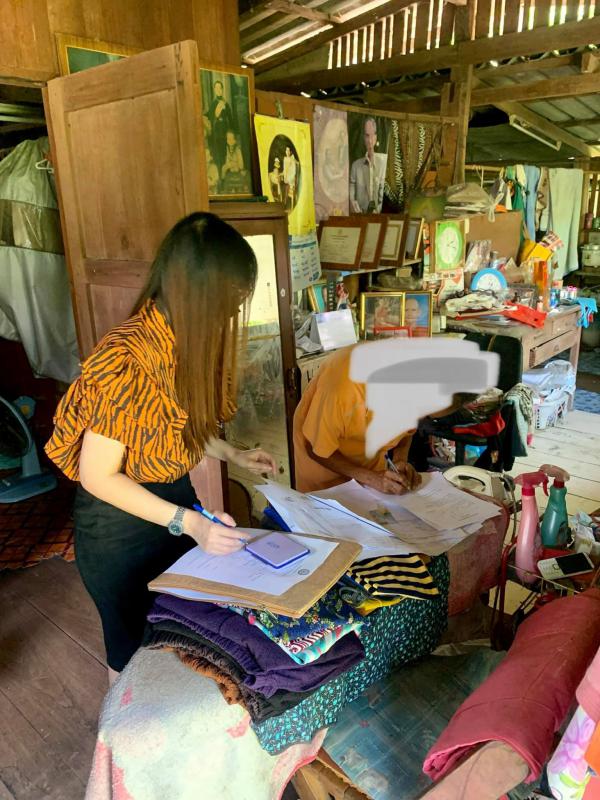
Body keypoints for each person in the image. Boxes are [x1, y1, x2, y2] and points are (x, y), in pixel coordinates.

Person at [45, 212, 277, 682]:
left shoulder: (182, 341)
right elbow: (97, 475)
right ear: (200, 294)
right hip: (119, 529)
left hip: (171, 502)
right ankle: (123, 728)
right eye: (230, 300)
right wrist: (191, 523)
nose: (232, 313)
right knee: (133, 655)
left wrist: (232, 454)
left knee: (179, 636)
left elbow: (172, 427)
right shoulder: (126, 357)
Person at [293, 344, 420, 495]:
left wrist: (399, 461)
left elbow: (406, 433)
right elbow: (315, 448)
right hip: (323, 463)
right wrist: (371, 478)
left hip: (369, 463)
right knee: (325, 505)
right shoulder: (341, 388)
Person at [349, 117, 387, 214]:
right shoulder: (356, 166)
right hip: (360, 216)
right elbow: (351, 195)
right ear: (363, 137)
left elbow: (383, 191)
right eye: (367, 136)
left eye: (372, 135)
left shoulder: (383, 162)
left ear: (376, 137)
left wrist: (377, 211)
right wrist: (353, 205)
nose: (370, 140)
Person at [207, 80, 234, 175]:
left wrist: (231, 131)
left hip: (225, 131)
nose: (218, 90)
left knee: (226, 152)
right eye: (217, 88)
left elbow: (230, 118)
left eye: (220, 88)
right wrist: (217, 115)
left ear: (222, 90)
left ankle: (226, 172)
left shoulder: (226, 103)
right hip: (217, 132)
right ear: (214, 90)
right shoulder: (213, 104)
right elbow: (210, 117)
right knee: (218, 154)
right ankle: (220, 174)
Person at [283, 145, 298, 210]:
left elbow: (296, 164)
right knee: (285, 187)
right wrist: (285, 177)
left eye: (289, 150)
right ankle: (285, 204)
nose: (287, 152)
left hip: (291, 175)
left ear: (290, 152)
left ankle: (288, 204)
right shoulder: (285, 159)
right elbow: (285, 169)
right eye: (286, 150)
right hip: (287, 175)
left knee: (288, 186)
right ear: (285, 151)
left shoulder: (292, 158)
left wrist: (296, 163)